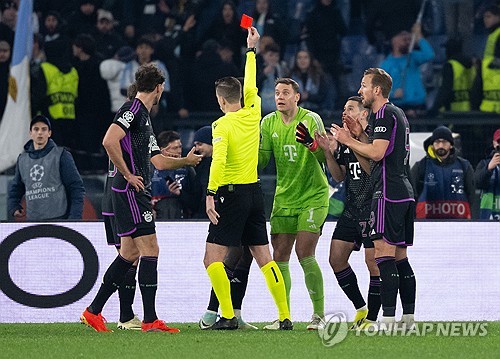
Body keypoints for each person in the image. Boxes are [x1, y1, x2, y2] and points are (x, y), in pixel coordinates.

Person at [80, 63, 202, 333]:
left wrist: (187, 161)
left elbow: (158, 161)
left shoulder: (143, 116)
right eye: (162, 89)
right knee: (150, 250)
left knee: (130, 253)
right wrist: (129, 174)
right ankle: (149, 320)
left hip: (131, 190)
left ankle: (93, 311)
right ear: (158, 88)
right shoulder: (132, 110)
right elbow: (109, 141)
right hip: (131, 190)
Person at [203, 26, 291, 330]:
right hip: (255, 193)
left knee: (211, 259)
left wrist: (210, 192)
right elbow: (251, 83)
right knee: (264, 258)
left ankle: (227, 315)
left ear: (220, 100)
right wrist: (251, 50)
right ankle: (285, 316)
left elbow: (219, 161)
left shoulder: (221, 126)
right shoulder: (253, 111)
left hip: (230, 193)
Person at [331, 68, 416, 330]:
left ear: (377, 90)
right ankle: (408, 319)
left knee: (383, 256)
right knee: (400, 257)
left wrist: (347, 139)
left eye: (364, 85)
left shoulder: (383, 114)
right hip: (403, 191)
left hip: (388, 192)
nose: (360, 90)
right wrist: (358, 137)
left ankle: (388, 320)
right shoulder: (397, 114)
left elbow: (377, 153)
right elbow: (377, 157)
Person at [259, 77, 328, 330]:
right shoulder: (268, 123)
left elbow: (325, 155)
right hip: (284, 196)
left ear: (297, 97)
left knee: (305, 253)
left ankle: (318, 315)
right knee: (280, 256)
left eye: (286, 92)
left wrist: (312, 144)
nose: (280, 97)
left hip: (313, 195)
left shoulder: (311, 120)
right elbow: (262, 162)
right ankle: (284, 316)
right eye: (277, 92)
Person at [316, 96, 380, 331]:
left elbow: (372, 171)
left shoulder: (373, 137)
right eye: (344, 108)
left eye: (350, 108)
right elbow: (340, 176)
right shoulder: (344, 140)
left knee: (373, 264)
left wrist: (353, 141)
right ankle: (361, 308)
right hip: (352, 208)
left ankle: (372, 319)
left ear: (363, 113)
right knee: (336, 259)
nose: (345, 112)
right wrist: (327, 153)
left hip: (373, 208)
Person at [7, 115, 85, 221]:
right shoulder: (22, 159)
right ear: (30, 133)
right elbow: (16, 188)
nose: (40, 133)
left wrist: (74, 218)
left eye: (44, 129)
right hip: (32, 222)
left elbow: (76, 187)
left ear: (49, 133)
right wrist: (14, 206)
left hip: (60, 219)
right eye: (36, 129)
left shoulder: (61, 155)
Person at [410, 125, 475, 219]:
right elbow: (412, 194)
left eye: (444, 142)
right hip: (427, 223)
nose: (440, 145)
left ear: (451, 144)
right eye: (437, 142)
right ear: (432, 144)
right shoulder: (421, 166)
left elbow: (471, 194)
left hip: (459, 222)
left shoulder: (464, 165)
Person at [380, 23, 435, 117]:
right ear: (394, 40)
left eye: (408, 39)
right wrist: (392, 94)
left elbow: (429, 55)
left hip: (418, 106)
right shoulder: (386, 65)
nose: (407, 41)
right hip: (399, 108)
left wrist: (419, 37)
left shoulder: (413, 57)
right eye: (403, 38)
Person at [151, 130, 200, 219]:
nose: (179, 151)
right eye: (174, 148)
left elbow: (197, 201)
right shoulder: (150, 169)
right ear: (162, 150)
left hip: (184, 219)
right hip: (155, 219)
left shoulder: (188, 169)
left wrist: (180, 193)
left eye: (180, 147)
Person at [431, 38, 476, 113]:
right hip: (470, 111)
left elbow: (445, 90)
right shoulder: (471, 65)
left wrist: (434, 109)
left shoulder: (450, 65)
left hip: (453, 112)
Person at [475, 128, 500, 220]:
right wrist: (488, 169)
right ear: (494, 144)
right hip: (489, 219)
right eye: (499, 142)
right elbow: (477, 183)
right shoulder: (484, 163)